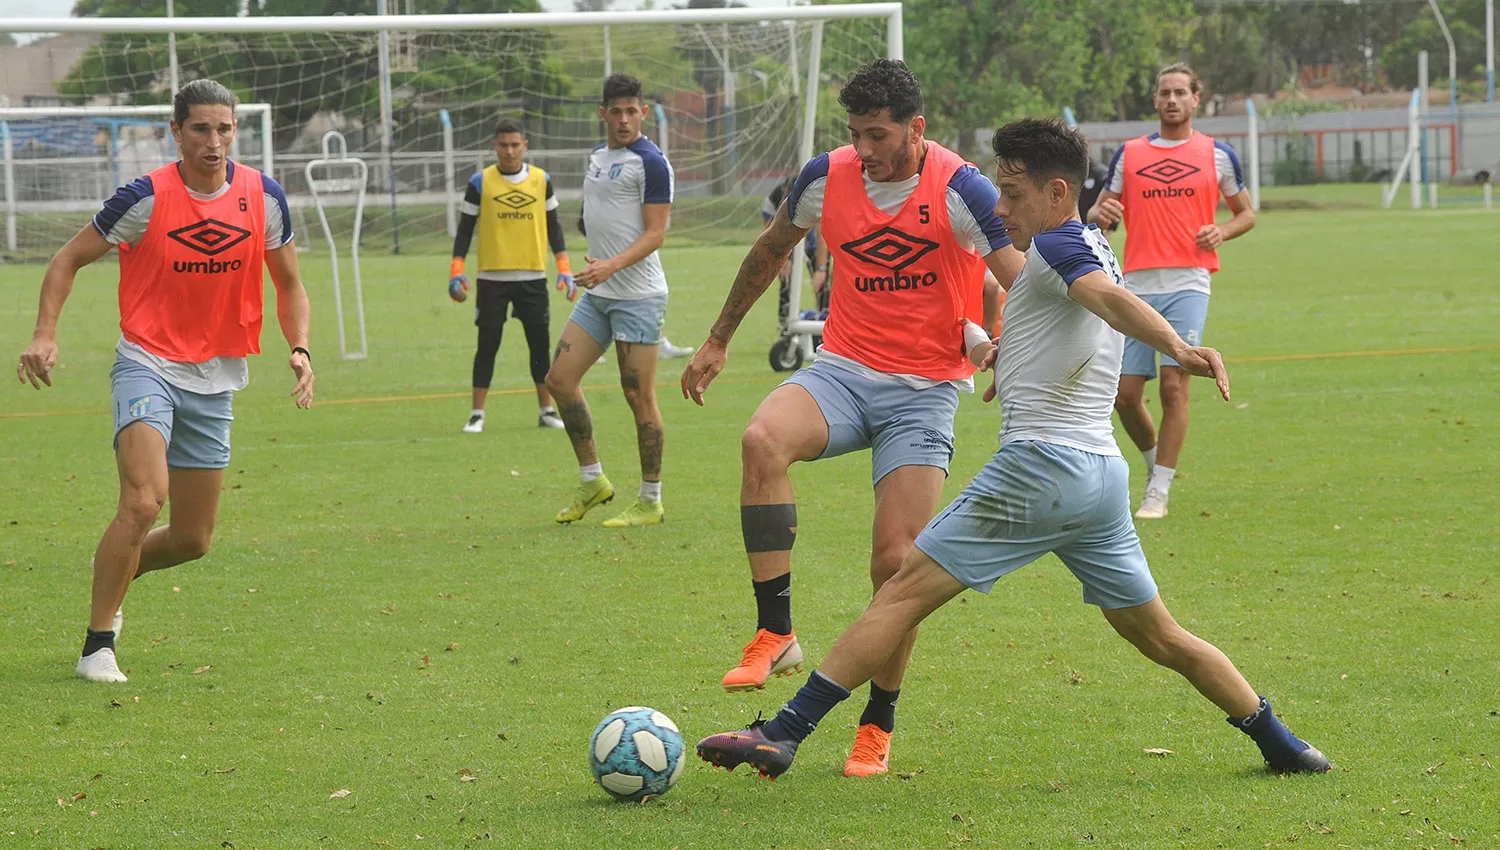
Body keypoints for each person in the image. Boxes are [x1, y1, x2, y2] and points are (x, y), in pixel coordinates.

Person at [695, 118, 1329, 781]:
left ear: (1059, 192)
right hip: (1100, 482)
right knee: (1161, 635)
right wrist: (994, 347)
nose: (999, 209)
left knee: (901, 591)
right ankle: (1284, 745)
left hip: (1039, 470)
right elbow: (1069, 316)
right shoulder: (1087, 243)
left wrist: (1178, 347)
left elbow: (1107, 301)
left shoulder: (1057, 245)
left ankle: (784, 732)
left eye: (1013, 193)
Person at [681, 59, 1019, 778]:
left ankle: (878, 720)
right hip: (840, 372)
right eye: (854, 134)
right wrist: (717, 339)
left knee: (896, 567)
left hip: (924, 392)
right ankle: (776, 629)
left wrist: (1009, 347)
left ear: (915, 129)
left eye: (877, 135)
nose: (863, 150)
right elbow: (772, 249)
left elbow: (1020, 276)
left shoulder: (961, 188)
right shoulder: (824, 177)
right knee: (760, 439)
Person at [15, 79, 314, 683]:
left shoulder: (264, 196)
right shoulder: (143, 197)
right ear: (175, 132)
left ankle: (116, 564)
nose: (214, 141)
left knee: (191, 540)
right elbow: (65, 260)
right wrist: (45, 334)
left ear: (236, 131)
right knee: (144, 499)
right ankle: (98, 644)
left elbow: (289, 285)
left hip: (217, 374)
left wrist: (301, 348)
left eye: (224, 129)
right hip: (146, 362)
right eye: (200, 129)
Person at [1087, 63, 1256, 519]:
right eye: (1165, 92)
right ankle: (1155, 465)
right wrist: (1102, 214)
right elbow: (1103, 210)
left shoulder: (1217, 155)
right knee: (1123, 395)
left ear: (1196, 98)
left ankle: (1158, 491)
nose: (1172, 100)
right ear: (1155, 99)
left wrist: (1222, 231)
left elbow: (1246, 213)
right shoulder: (1130, 154)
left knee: (1174, 387)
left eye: (1181, 92)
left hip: (1188, 281)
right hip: (1136, 282)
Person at [546, 73, 674, 528]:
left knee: (638, 395)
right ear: (602, 114)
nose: (623, 119)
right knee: (559, 380)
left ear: (643, 112)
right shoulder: (599, 157)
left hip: (637, 295)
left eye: (631, 111)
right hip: (599, 292)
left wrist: (611, 264)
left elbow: (656, 234)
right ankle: (593, 480)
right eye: (615, 111)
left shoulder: (652, 163)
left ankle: (650, 499)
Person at [448, 117, 573, 434]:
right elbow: (464, 231)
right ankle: (477, 414)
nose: (509, 151)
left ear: (525, 146)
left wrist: (564, 267)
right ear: (494, 146)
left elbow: (554, 227)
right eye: (503, 145)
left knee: (539, 347)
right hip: (492, 279)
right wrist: (456, 270)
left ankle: (546, 410)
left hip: (532, 277)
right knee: (487, 345)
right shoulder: (480, 182)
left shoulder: (541, 180)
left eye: (515, 145)